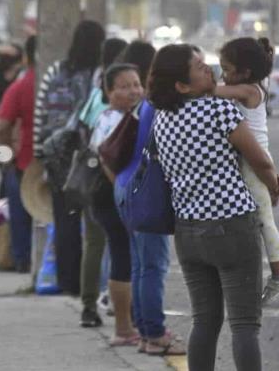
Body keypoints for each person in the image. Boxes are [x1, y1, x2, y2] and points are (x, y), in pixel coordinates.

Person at [148, 44, 279, 371]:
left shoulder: (161, 120)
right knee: (245, 325)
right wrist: (273, 184)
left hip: (188, 231)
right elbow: (259, 159)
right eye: (199, 66)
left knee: (204, 322)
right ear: (182, 85)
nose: (208, 68)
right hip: (231, 226)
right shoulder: (220, 111)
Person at [215, 37, 279, 305]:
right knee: (257, 216)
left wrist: (192, 86)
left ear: (245, 72)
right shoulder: (254, 85)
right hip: (253, 159)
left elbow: (211, 92)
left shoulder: (249, 90)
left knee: (264, 219)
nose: (222, 75)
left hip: (254, 160)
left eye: (226, 69)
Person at [115, 40, 181, 355]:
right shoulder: (161, 106)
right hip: (145, 191)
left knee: (141, 265)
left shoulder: (146, 104)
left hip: (127, 185)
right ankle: (155, 335)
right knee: (152, 266)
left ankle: (145, 332)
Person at [33, 20, 105, 295]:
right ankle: (93, 284)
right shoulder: (100, 75)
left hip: (58, 157)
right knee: (95, 225)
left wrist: (40, 156)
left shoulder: (55, 71)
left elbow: (41, 116)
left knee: (64, 221)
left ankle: (68, 282)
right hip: (91, 159)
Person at [90, 64, 144, 346]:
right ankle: (123, 328)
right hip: (112, 199)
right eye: (124, 86)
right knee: (123, 257)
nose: (133, 90)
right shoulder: (110, 119)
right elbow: (107, 162)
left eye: (136, 84)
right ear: (109, 92)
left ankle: (132, 324)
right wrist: (125, 195)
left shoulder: (132, 116)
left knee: (128, 257)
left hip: (120, 197)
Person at [77, 37, 126, 327]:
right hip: (107, 181)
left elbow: (81, 129)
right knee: (115, 245)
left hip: (90, 179)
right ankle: (116, 307)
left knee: (95, 244)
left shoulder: (95, 93)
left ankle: (89, 305)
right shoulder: (109, 102)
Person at [0, 36, 37, 273]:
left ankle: (23, 260)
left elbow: (2, 126)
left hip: (24, 162)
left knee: (20, 213)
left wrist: (9, 154)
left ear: (25, 57)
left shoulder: (20, 87)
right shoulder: (58, 84)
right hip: (56, 163)